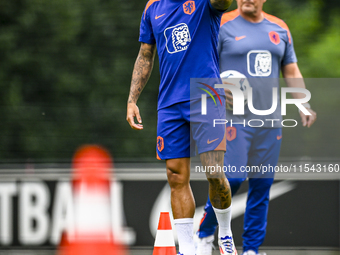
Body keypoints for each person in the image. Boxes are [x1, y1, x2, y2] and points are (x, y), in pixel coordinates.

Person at [195, 0, 317, 255]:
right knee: (234, 178)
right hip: (233, 118)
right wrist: (216, 89)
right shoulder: (221, 23)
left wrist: (302, 103)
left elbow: (290, 68)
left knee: (262, 185)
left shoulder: (280, 28)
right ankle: (205, 231)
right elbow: (202, 64)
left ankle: (251, 249)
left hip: (269, 120)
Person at [126, 0, 238, 254]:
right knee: (176, 175)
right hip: (169, 103)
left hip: (206, 95)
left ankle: (225, 235)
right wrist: (132, 99)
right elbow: (145, 54)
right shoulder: (152, 8)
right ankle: (186, 248)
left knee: (214, 171)